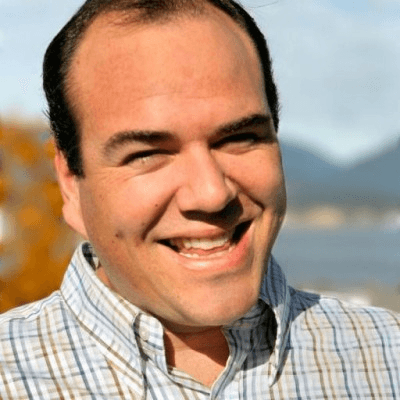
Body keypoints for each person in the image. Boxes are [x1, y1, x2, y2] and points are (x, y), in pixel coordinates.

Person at [0, 0, 399, 398]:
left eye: (240, 138)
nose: (211, 194)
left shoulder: (388, 356)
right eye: (148, 154)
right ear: (70, 183)